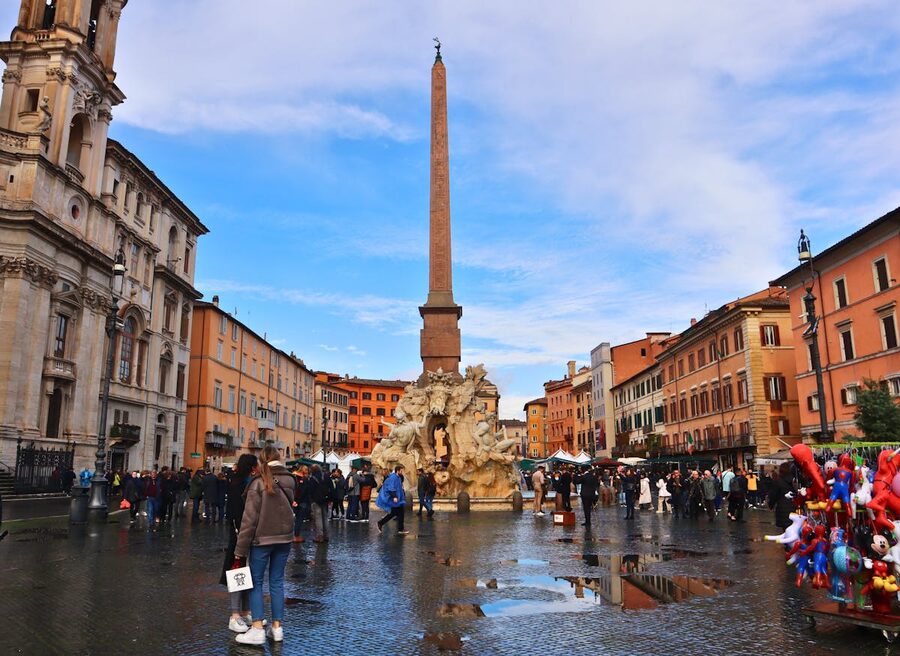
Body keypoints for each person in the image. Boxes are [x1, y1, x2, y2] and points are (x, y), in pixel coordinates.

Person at [234, 446, 294, 645]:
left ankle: (258, 627)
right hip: (284, 539)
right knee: (277, 581)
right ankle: (277, 628)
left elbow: (249, 520)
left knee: (256, 582)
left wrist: (239, 550)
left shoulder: (257, 483)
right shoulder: (290, 480)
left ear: (261, 461)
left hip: (261, 540)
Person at [221, 454, 258, 634]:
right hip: (239, 533)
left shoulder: (244, 482)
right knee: (239, 572)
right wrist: (239, 531)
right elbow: (236, 511)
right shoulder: (239, 484)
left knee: (248, 571)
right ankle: (235, 615)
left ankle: (246, 611)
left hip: (245, 532)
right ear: (251, 467)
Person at [376, 464, 408, 535]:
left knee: (395, 513)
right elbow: (391, 488)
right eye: (402, 471)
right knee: (398, 513)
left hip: (399, 499)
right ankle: (400, 529)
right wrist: (394, 497)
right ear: (398, 471)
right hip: (396, 499)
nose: (403, 472)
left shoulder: (397, 477)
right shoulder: (393, 477)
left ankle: (381, 523)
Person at [768, 462, 797, 531]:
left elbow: (773, 495)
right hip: (795, 507)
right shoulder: (795, 480)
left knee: (786, 531)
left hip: (783, 510)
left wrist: (771, 505)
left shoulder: (778, 481)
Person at [308, 464, 332, 543]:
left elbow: (310, 490)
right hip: (325, 499)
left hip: (316, 500)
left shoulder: (313, 478)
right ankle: (326, 535)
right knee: (325, 517)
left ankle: (320, 536)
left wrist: (312, 499)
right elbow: (331, 487)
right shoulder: (326, 476)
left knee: (318, 518)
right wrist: (330, 498)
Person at [292, 465, 310, 542]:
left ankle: (293, 534)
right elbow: (304, 491)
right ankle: (296, 536)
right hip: (302, 501)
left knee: (295, 518)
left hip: (293, 500)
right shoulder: (304, 479)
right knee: (299, 519)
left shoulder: (293, 476)